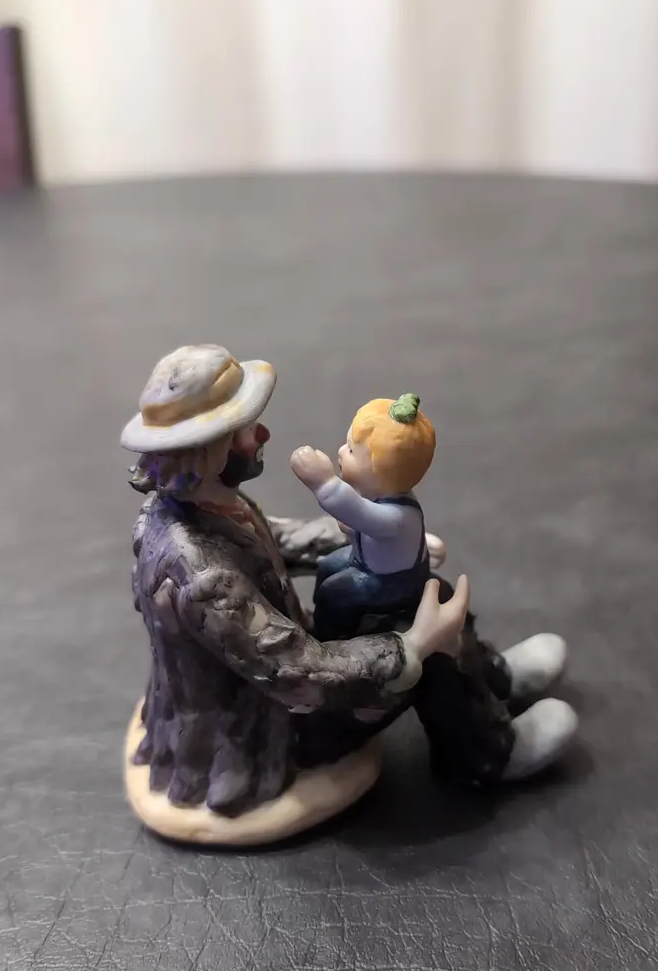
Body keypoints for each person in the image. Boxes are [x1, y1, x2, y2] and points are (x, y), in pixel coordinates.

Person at [120, 344, 577, 842]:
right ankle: (488, 754)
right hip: (266, 730)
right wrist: (414, 645)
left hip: (274, 680)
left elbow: (271, 538)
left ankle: (496, 680)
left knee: (425, 594)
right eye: (243, 431)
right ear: (208, 451)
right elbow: (295, 672)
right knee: (423, 639)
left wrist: (377, 541)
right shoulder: (199, 572)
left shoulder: (199, 505)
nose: (262, 435)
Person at [291, 392, 437, 641]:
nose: (340, 451)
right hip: (365, 562)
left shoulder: (397, 517)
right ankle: (320, 614)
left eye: (350, 450)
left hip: (391, 581)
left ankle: (330, 635)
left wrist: (323, 483)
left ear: (378, 471)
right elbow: (359, 520)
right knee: (327, 565)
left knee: (335, 592)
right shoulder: (382, 494)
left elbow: (357, 511)